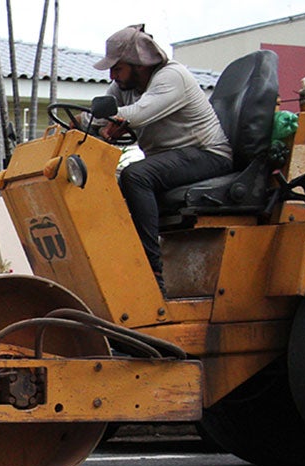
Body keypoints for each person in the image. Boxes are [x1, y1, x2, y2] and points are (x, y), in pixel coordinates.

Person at [93, 24, 232, 294]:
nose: (113, 75)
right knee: (111, 183)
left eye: (117, 68)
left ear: (138, 64)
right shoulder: (124, 87)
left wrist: (112, 121)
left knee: (136, 175)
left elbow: (141, 113)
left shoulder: (172, 76)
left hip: (209, 154)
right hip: (171, 160)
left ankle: (151, 268)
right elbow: (95, 117)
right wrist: (80, 124)